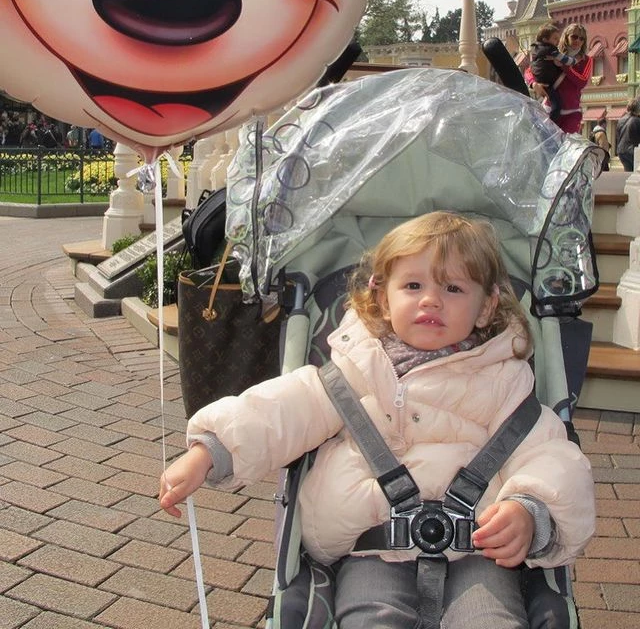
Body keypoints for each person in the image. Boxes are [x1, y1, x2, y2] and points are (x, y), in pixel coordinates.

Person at [159, 212, 595, 629]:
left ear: (486, 307)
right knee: (371, 619)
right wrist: (210, 451)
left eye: (454, 289)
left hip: (477, 552)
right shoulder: (352, 370)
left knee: (492, 621)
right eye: (413, 285)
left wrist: (530, 510)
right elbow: (282, 409)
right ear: (383, 298)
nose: (431, 300)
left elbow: (550, 454)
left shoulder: (504, 379)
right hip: (369, 544)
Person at [526, 23, 593, 134]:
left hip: (571, 113)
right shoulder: (552, 51)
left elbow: (582, 81)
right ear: (566, 37)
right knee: (547, 146)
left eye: (582, 39)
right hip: (550, 107)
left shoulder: (585, 60)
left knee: (565, 146)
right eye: (574, 36)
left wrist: (564, 66)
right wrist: (533, 84)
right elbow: (530, 70)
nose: (578, 41)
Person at [529, 23, 577, 121]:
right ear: (545, 39)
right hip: (547, 84)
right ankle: (549, 124)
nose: (558, 41)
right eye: (555, 39)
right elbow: (528, 71)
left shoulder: (538, 49)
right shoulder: (551, 50)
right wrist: (574, 61)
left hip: (552, 87)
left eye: (559, 39)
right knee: (556, 106)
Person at [615, 97, 640, 172]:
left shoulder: (621, 120)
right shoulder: (637, 120)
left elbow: (618, 136)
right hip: (633, 151)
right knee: (636, 174)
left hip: (621, 151)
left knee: (629, 173)